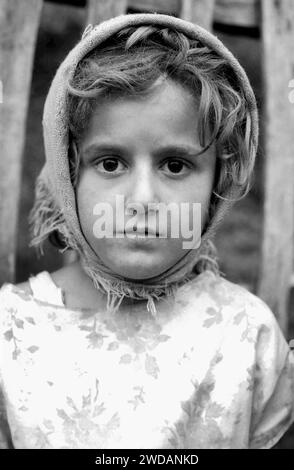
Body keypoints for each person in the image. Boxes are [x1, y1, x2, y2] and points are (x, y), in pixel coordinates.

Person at [0, 13, 293, 449]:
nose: (141, 199)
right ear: (67, 175)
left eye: (175, 165)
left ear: (218, 185)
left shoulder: (249, 338)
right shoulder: (11, 333)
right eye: (110, 162)